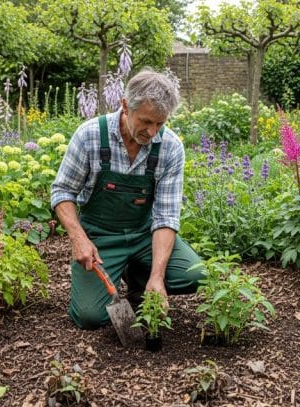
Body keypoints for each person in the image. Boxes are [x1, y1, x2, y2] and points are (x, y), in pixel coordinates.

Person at [51, 68, 204, 330]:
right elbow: (62, 192)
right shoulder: (89, 135)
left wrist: (157, 277)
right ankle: (119, 267)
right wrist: (79, 238)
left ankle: (141, 277)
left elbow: (166, 216)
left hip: (145, 236)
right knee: (90, 317)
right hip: (100, 238)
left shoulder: (170, 146)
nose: (153, 132)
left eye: (160, 123)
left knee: (195, 276)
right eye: (146, 121)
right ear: (124, 106)